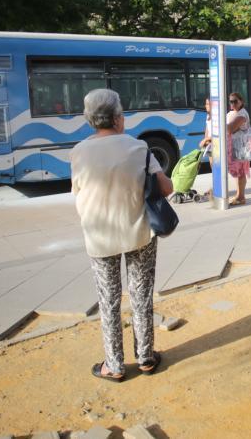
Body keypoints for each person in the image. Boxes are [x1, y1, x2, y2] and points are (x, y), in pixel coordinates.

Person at [70, 88, 173, 381]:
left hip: (99, 237)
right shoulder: (139, 148)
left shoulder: (78, 152)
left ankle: (113, 365)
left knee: (109, 301)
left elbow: (78, 191)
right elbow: (166, 189)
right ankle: (146, 358)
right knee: (141, 296)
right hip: (138, 231)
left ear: (91, 120)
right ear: (117, 118)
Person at [226, 92, 250, 205]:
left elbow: (229, 129)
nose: (233, 103)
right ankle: (239, 195)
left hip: (241, 146)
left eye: (235, 101)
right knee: (236, 171)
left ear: (241, 101)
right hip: (233, 145)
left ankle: (241, 197)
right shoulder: (231, 113)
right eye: (231, 101)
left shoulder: (242, 114)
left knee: (240, 172)